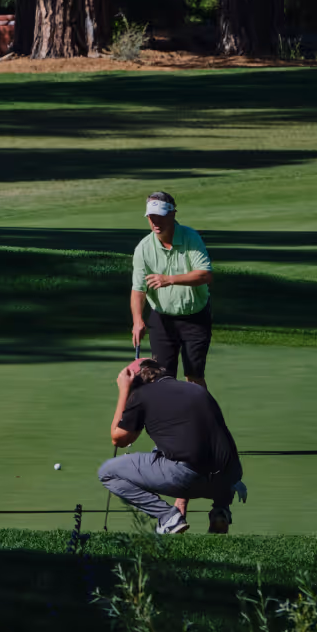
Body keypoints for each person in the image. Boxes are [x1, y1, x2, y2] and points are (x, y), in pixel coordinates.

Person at [98, 358, 246, 534]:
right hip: (229, 477)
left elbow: (119, 438)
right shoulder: (196, 388)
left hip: (190, 478)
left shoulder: (142, 395)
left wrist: (124, 391)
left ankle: (168, 517)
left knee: (107, 473)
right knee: (170, 449)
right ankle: (220, 510)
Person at [131, 191, 213, 387]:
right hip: (161, 320)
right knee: (160, 379)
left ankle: (200, 416)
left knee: (194, 376)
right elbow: (138, 289)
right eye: (151, 217)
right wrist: (137, 320)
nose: (155, 222)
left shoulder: (190, 237)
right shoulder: (143, 248)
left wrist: (170, 279)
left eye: (160, 216)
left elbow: (205, 275)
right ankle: (166, 418)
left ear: (173, 214)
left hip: (195, 316)